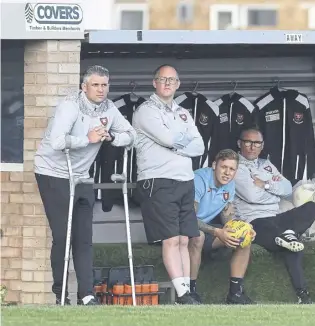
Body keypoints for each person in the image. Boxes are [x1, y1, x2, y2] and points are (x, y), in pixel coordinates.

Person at [34, 65, 136, 306]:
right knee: (63, 236)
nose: (101, 90)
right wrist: (87, 139)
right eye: (95, 85)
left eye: (104, 85)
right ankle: (60, 294)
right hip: (54, 172)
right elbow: (58, 141)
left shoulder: (109, 108)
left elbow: (131, 134)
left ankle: (87, 294)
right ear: (84, 87)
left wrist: (112, 137)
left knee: (84, 238)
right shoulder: (69, 106)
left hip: (82, 175)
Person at [133, 65, 205, 304]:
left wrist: (176, 141)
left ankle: (187, 290)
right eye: (162, 79)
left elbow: (200, 146)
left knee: (185, 239)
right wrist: (178, 140)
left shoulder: (184, 112)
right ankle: (183, 293)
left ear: (178, 84)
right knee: (171, 239)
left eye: (171, 80)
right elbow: (167, 138)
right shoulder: (145, 111)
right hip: (158, 181)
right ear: (154, 82)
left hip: (185, 180)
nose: (167, 83)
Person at [233, 127, 315, 304]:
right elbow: (251, 195)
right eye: (248, 142)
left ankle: (289, 234)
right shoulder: (235, 166)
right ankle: (303, 295)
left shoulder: (266, 164)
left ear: (262, 145)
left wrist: (265, 185)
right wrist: (273, 190)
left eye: (256, 143)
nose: (252, 147)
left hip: (277, 217)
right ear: (239, 143)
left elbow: (288, 189)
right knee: (291, 245)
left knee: (311, 207)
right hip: (255, 221)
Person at [188, 149, 256, 304]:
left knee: (243, 237)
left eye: (232, 169)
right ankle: (190, 292)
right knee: (198, 237)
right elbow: (189, 218)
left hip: (210, 227)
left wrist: (243, 227)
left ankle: (235, 294)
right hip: (185, 227)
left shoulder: (230, 184)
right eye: (223, 167)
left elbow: (227, 217)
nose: (227, 173)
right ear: (214, 165)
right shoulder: (199, 179)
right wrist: (217, 231)